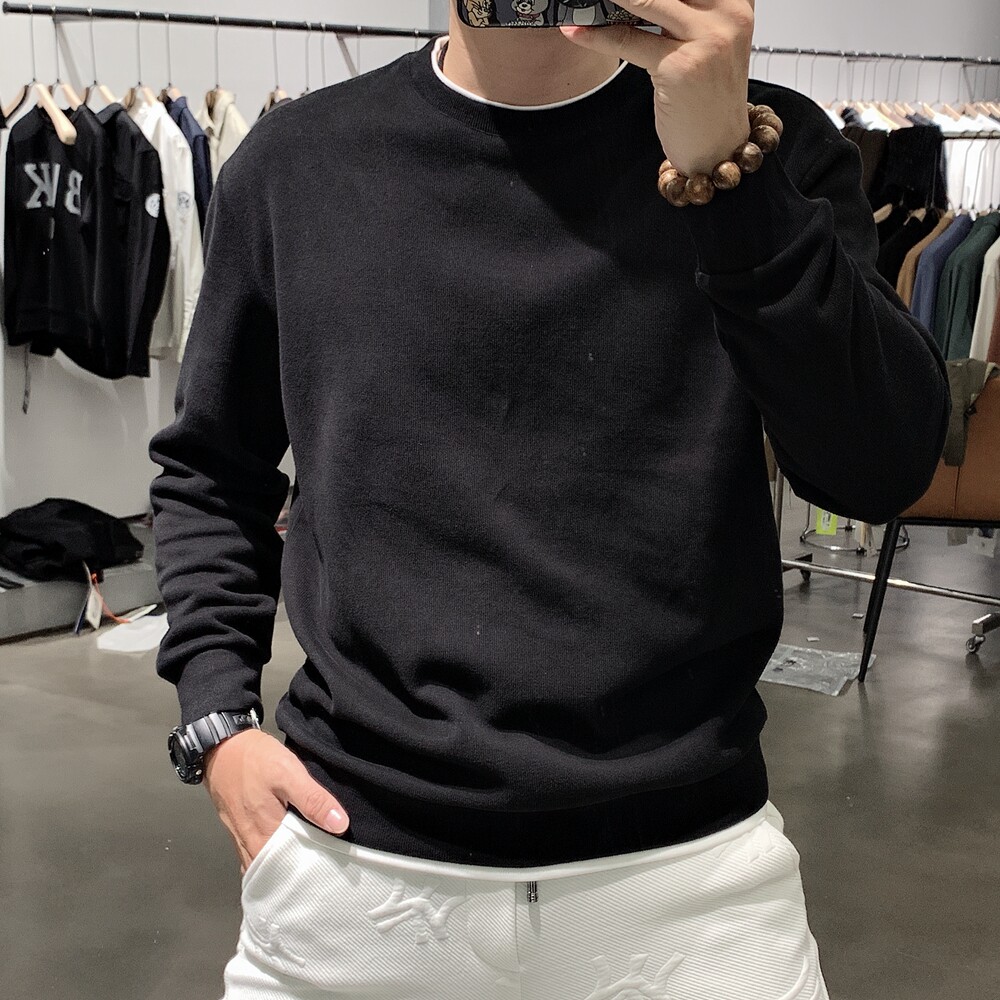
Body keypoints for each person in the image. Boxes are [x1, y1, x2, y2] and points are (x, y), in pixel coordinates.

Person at [149, 1, 950, 998]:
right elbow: (212, 469)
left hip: (690, 883)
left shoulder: (764, 146)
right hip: (355, 872)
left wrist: (724, 172)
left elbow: (880, 467)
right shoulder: (298, 164)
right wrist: (217, 719)